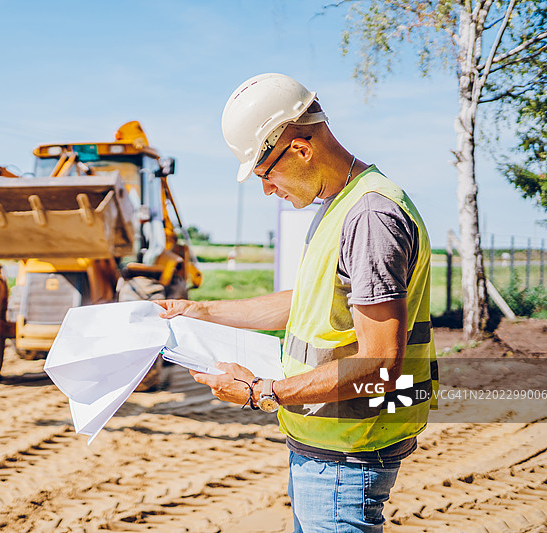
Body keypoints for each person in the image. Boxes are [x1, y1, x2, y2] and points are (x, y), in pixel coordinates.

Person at [157, 73, 438, 532]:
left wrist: (261, 392)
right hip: (328, 444)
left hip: (348, 451)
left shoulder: (369, 217)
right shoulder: (342, 205)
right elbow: (310, 301)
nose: (267, 189)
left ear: (301, 148)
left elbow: (382, 364)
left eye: (265, 174)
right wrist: (203, 311)